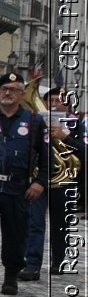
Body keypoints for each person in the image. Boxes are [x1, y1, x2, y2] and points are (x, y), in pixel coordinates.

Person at [0, 70, 46, 297]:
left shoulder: (34, 121)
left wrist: (40, 182)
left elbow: (46, 156)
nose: (8, 93)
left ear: (21, 94)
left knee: (16, 236)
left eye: (14, 89)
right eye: (4, 89)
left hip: (18, 188)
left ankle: (11, 275)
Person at [47, 87, 84, 275]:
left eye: (58, 101)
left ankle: (58, 260)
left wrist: (65, 137)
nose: (54, 104)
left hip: (65, 180)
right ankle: (31, 261)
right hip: (41, 178)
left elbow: (84, 153)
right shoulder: (38, 121)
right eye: (51, 101)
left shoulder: (77, 124)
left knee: (60, 222)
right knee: (33, 223)